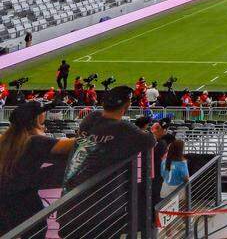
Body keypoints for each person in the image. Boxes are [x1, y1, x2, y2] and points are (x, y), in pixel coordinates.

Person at [60, 86, 154, 236]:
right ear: (127, 106)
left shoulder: (91, 118)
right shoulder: (123, 128)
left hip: (69, 207)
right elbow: (150, 140)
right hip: (99, 213)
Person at [0, 101, 75, 234]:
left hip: (6, 200)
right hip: (23, 202)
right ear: (36, 119)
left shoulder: (6, 140)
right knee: (34, 232)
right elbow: (75, 144)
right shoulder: (35, 142)